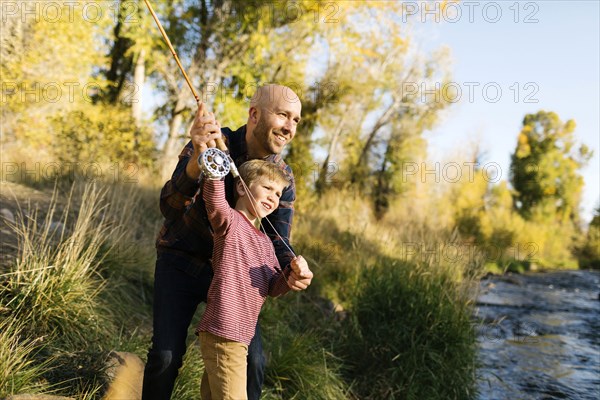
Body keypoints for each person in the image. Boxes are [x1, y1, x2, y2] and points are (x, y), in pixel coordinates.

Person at [142, 84, 313, 400]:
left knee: (255, 362)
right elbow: (169, 207)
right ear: (254, 114)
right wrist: (198, 160)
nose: (290, 127)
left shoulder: (282, 178)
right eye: (283, 115)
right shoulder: (211, 141)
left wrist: (292, 271)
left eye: (297, 120)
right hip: (183, 259)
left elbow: (276, 243)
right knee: (165, 357)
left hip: (236, 280)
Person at [198, 157, 311, 400]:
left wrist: (290, 274)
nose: (273, 197)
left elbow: (272, 287)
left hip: (240, 336)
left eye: (278, 193)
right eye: (267, 188)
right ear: (241, 187)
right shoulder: (230, 222)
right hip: (224, 331)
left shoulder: (266, 243)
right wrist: (215, 168)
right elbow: (215, 201)